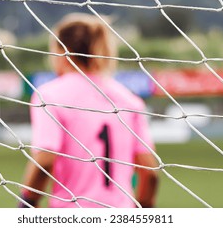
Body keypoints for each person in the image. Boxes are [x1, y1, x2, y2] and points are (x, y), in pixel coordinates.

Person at [19, 13, 159, 208]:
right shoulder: (129, 100)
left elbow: (44, 161)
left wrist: (26, 204)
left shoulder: (49, 96)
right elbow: (150, 171)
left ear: (62, 51)